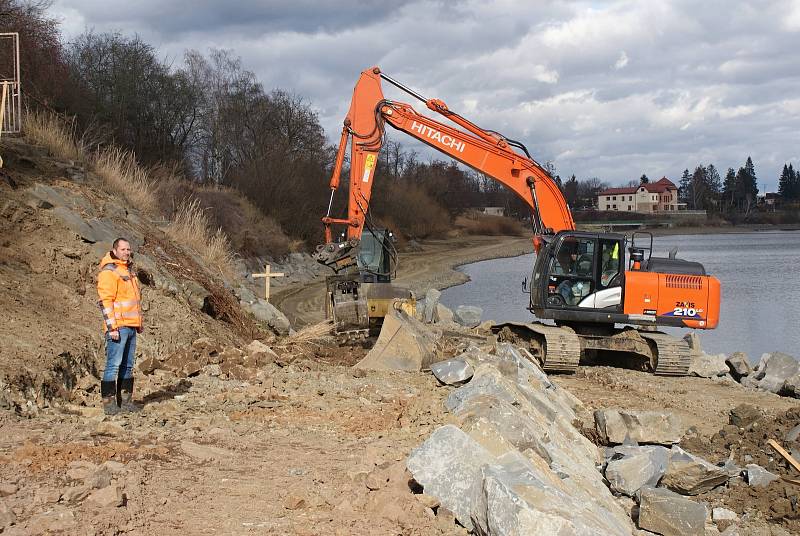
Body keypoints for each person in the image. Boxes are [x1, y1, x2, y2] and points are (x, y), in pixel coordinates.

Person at [97, 237, 143, 414]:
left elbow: (133, 301)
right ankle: (109, 405)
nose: (126, 252)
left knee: (128, 365)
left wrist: (138, 323)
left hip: (131, 326)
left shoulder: (128, 271)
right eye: (123, 249)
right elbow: (105, 302)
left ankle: (126, 402)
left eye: (128, 249)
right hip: (119, 328)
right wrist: (112, 328)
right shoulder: (110, 272)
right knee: (113, 365)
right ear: (115, 250)